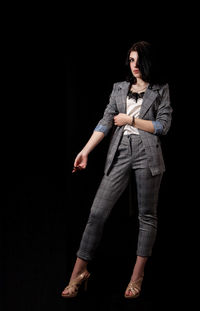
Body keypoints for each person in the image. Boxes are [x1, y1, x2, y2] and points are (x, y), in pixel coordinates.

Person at [61, 41, 172, 299]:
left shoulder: (160, 89)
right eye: (130, 60)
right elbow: (105, 122)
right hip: (120, 151)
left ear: (147, 61)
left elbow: (163, 126)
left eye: (138, 60)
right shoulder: (119, 88)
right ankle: (79, 272)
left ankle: (137, 277)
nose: (134, 66)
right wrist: (85, 150)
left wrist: (131, 120)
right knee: (97, 212)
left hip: (148, 153)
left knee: (147, 215)